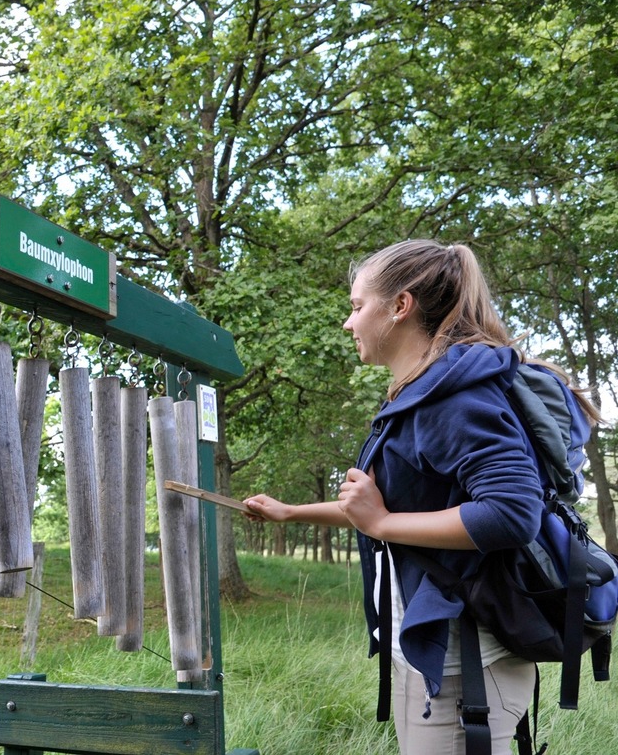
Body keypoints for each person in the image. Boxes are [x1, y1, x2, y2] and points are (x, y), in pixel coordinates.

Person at [244, 239, 600, 755]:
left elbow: (510, 513)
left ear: (400, 306)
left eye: (356, 306)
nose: (349, 323)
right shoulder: (425, 393)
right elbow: (388, 508)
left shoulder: (453, 398)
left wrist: (383, 524)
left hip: (468, 665)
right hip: (443, 652)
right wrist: (291, 512)